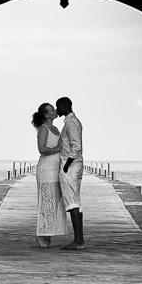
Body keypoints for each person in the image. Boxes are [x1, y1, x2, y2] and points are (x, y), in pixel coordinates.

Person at [31, 103, 64, 247]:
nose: (55, 111)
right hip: (46, 169)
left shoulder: (56, 129)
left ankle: (47, 231)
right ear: (46, 114)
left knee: (54, 201)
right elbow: (42, 149)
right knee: (46, 201)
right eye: (52, 110)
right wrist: (57, 149)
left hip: (57, 168)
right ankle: (42, 234)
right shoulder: (43, 129)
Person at [55, 95, 84, 250]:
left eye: (58, 107)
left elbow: (76, 146)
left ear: (64, 106)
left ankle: (78, 241)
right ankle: (79, 239)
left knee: (72, 201)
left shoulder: (71, 122)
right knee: (76, 202)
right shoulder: (72, 121)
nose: (56, 109)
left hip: (71, 166)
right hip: (74, 165)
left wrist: (66, 165)